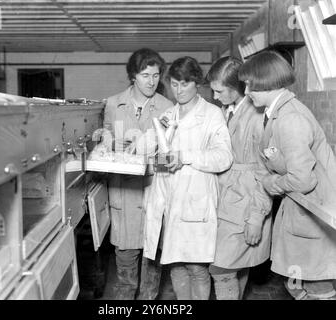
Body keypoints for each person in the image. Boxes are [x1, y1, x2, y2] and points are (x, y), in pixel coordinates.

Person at [239, 50, 336, 300]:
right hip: (301, 216)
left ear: (268, 82)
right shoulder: (277, 113)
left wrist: (272, 182)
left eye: (250, 85)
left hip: (315, 217)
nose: (247, 92)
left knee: (317, 288)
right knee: (295, 285)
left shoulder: (290, 118)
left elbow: (303, 179)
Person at [143, 56, 233, 300]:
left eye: (184, 84)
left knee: (197, 268)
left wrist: (185, 157)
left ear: (196, 83)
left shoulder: (212, 115)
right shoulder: (168, 115)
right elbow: (161, 156)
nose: (178, 90)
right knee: (175, 265)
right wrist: (152, 155)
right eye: (173, 84)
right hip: (170, 202)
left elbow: (223, 157)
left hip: (197, 201)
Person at [103, 48, 173, 300]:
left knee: (152, 268)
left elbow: (170, 150)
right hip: (124, 194)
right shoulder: (113, 104)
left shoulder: (167, 106)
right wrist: (111, 144)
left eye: (156, 75)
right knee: (125, 269)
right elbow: (104, 140)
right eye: (145, 75)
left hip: (153, 192)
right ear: (133, 75)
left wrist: (158, 156)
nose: (151, 81)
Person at [205, 57, 273, 300]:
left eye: (219, 91)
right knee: (237, 266)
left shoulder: (256, 118)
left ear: (237, 87)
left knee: (220, 268)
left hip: (246, 206)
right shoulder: (229, 110)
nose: (214, 96)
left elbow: (267, 173)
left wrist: (256, 218)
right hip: (230, 202)